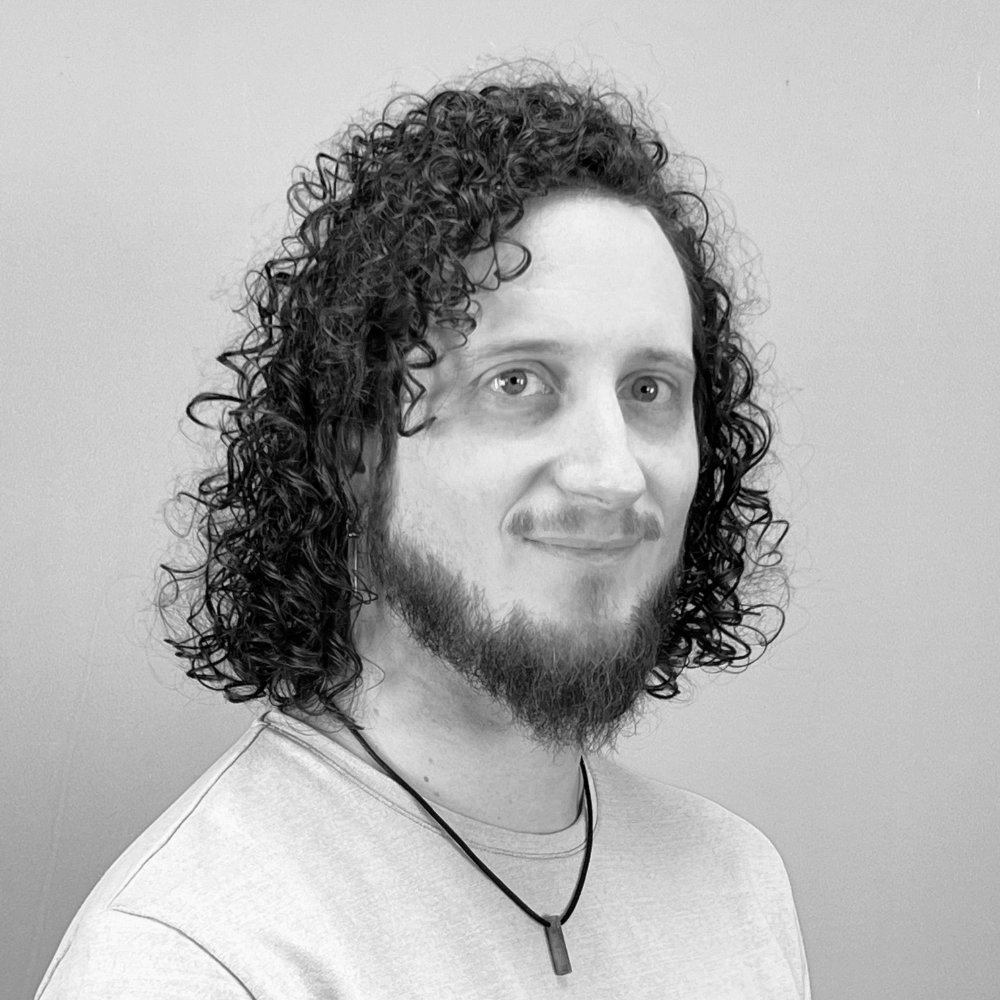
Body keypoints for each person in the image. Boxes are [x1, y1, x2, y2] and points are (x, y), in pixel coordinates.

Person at [36, 60, 809, 998]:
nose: (612, 473)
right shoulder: (192, 959)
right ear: (355, 446)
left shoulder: (737, 886)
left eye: (650, 390)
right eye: (517, 381)